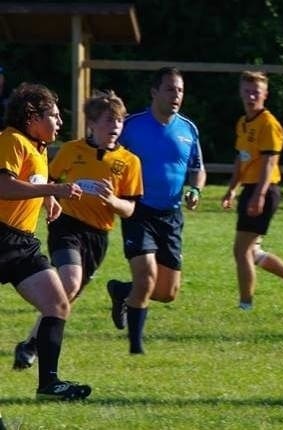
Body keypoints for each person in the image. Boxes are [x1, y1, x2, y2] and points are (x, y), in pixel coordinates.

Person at [12, 90, 143, 370]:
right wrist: (50, 199)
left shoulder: (130, 162)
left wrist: (112, 201)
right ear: (92, 123)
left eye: (120, 121)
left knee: (66, 296)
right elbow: (49, 178)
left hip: (98, 235)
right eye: (109, 120)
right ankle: (38, 356)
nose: (116, 126)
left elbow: (130, 208)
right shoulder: (71, 151)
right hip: (67, 226)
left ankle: (30, 344)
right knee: (69, 282)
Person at [0, 82, 91, 400]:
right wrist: (53, 191)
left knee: (57, 303)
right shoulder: (12, 140)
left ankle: (48, 385)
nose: (60, 122)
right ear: (31, 116)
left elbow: (33, 181)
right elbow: (4, 186)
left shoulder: (38, 148)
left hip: (22, 244)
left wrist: (48, 196)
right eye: (53, 115)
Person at [106, 67, 206, 354]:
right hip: (138, 210)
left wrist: (195, 190)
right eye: (170, 89)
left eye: (180, 90)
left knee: (166, 293)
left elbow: (198, 171)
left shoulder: (188, 129)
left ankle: (122, 292)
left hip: (171, 215)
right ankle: (136, 348)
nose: (176, 96)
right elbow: (110, 157)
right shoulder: (131, 126)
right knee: (146, 276)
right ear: (154, 92)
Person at [220, 71, 283, 310]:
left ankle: (245, 305)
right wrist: (232, 189)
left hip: (264, 189)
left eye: (256, 92)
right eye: (247, 91)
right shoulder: (243, 122)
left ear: (265, 95)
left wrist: (259, 195)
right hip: (250, 189)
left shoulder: (269, 124)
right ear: (240, 92)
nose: (251, 96)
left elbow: (269, 164)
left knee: (241, 251)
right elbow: (242, 160)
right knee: (253, 250)